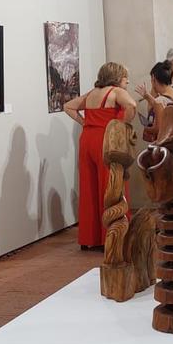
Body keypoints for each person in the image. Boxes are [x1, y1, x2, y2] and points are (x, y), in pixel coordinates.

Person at [63, 62, 138, 250]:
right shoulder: (116, 91)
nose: (127, 81)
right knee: (112, 185)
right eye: (125, 77)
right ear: (117, 77)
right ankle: (113, 237)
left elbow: (68, 106)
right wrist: (121, 125)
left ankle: (90, 238)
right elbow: (132, 105)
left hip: (87, 138)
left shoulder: (92, 93)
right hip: (107, 139)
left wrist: (85, 122)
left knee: (89, 187)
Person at [137, 61, 173, 141]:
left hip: (170, 144)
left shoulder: (159, 101)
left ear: (153, 78)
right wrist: (148, 97)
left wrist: (146, 129)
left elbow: (159, 129)